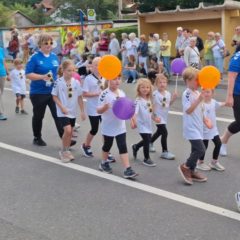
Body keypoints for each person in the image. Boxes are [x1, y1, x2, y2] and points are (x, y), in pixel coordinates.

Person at [25, 33, 66, 146]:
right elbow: (28, 74)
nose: (49, 45)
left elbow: (56, 73)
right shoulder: (35, 57)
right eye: (46, 43)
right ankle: (37, 137)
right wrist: (42, 77)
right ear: (40, 44)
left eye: (51, 43)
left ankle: (64, 138)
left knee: (58, 114)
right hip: (38, 92)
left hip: (52, 92)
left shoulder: (54, 56)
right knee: (39, 116)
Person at [97, 76, 138, 179]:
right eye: (114, 79)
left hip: (120, 126)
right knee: (107, 145)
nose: (117, 81)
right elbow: (98, 110)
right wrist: (105, 107)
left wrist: (132, 118)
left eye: (119, 78)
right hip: (108, 126)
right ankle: (103, 163)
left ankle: (127, 169)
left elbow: (127, 108)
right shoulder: (104, 94)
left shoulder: (121, 93)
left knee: (122, 146)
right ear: (108, 80)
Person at [81, 57, 115, 162]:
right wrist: (96, 93)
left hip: (103, 108)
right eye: (96, 65)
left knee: (105, 129)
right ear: (92, 67)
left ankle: (106, 150)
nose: (98, 67)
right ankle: (86, 145)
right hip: (93, 108)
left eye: (101, 65)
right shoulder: (88, 79)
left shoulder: (105, 77)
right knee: (94, 129)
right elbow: (84, 94)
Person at [52, 60, 86, 163]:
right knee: (67, 130)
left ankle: (66, 150)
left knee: (70, 133)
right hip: (62, 111)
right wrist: (62, 107)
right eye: (68, 70)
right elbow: (54, 96)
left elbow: (80, 97)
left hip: (72, 111)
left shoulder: (76, 82)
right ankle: (63, 151)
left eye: (73, 70)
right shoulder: (58, 82)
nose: (71, 73)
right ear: (63, 70)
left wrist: (82, 111)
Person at [178, 67, 207, 185]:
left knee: (195, 149)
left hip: (198, 126)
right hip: (191, 127)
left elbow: (201, 110)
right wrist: (199, 99)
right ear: (187, 81)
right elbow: (188, 110)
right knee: (201, 149)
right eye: (196, 80)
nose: (198, 82)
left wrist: (205, 120)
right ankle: (185, 167)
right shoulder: (187, 94)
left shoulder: (197, 92)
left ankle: (192, 170)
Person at [196, 89, 225, 171]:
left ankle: (214, 162)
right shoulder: (200, 104)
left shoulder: (213, 102)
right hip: (204, 129)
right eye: (203, 92)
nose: (206, 94)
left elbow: (219, 104)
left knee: (218, 143)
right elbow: (199, 116)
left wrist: (227, 103)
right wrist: (205, 123)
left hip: (213, 128)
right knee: (204, 146)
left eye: (208, 92)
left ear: (212, 93)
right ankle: (200, 162)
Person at [150, 74, 177, 159]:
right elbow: (152, 106)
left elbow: (168, 105)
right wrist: (154, 116)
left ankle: (148, 142)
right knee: (164, 132)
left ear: (167, 83)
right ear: (156, 84)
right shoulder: (155, 94)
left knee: (159, 132)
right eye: (160, 82)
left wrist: (173, 99)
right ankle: (164, 152)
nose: (162, 84)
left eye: (164, 82)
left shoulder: (168, 93)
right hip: (158, 117)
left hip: (164, 116)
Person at [131, 78, 157, 167]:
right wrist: (134, 122)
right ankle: (146, 158)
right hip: (141, 123)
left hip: (148, 123)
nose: (145, 89)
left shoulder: (149, 99)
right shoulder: (138, 100)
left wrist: (154, 118)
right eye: (143, 87)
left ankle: (136, 146)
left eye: (147, 87)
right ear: (139, 89)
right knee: (147, 140)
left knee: (148, 139)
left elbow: (150, 111)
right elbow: (134, 113)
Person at [220, 50, 240, 156]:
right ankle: (223, 140)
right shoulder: (237, 57)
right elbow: (231, 78)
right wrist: (229, 97)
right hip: (238, 94)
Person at [0, 46, 9, 120]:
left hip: (2, 74)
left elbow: (4, 61)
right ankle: (1, 113)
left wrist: (7, 73)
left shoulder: (0, 49)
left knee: (1, 93)